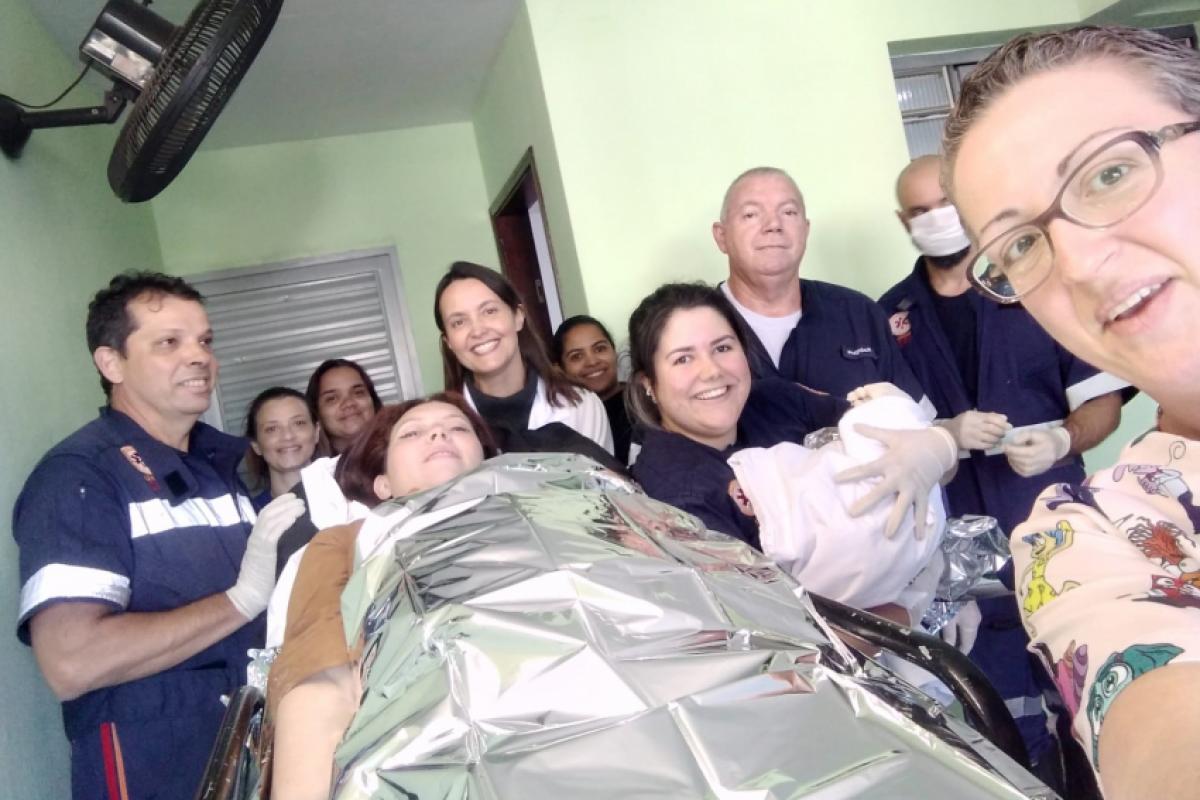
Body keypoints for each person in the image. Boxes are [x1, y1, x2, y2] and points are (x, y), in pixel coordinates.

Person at [944, 24, 1200, 798]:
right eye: (1019, 246)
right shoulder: (1087, 540)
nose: (1079, 264)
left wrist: (1063, 433)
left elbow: (1095, 403)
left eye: (1109, 173)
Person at [12, 272, 306, 800]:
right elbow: (72, 661)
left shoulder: (217, 469)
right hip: (157, 772)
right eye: (169, 342)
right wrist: (239, 601)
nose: (199, 357)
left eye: (205, 341)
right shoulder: (79, 477)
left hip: (248, 758)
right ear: (112, 363)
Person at [880, 154, 1127, 781]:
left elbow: (1101, 401)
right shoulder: (890, 318)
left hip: (1057, 538)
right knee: (1001, 736)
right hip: (961, 565)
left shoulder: (1035, 284)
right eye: (920, 211)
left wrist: (1062, 438)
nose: (937, 219)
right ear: (903, 222)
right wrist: (944, 435)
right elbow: (886, 436)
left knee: (1096, 715)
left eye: (945, 203)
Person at [627, 282, 957, 620]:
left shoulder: (774, 400)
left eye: (722, 347)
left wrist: (937, 447)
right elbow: (770, 629)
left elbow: (890, 432)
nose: (711, 370)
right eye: (683, 359)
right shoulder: (672, 497)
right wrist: (905, 611)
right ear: (648, 384)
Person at [268, 393, 498, 800]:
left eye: (457, 427)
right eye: (412, 433)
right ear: (383, 484)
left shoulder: (540, 519)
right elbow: (321, 686)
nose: (439, 434)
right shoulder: (344, 545)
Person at [712, 166, 929, 408]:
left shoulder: (859, 314)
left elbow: (917, 419)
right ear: (721, 236)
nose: (773, 224)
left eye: (789, 212)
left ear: (805, 230)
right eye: (751, 214)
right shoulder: (695, 326)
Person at [433, 261, 615, 464]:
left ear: (518, 316)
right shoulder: (437, 428)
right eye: (459, 322)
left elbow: (603, 482)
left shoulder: (580, 406)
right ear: (449, 341)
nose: (478, 330)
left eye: (489, 311)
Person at [553, 314, 633, 463]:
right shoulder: (566, 421)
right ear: (560, 369)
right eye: (577, 356)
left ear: (614, 351)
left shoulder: (643, 401)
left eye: (600, 349)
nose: (592, 362)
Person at [244, 386, 320, 510]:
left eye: (298, 423)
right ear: (256, 445)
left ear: (316, 432)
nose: (287, 436)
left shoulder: (348, 496)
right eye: (272, 429)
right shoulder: (251, 515)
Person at [304, 358, 382, 457]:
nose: (349, 403)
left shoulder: (398, 452)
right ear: (316, 411)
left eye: (358, 392)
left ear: (373, 400)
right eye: (332, 398)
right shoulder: (310, 466)